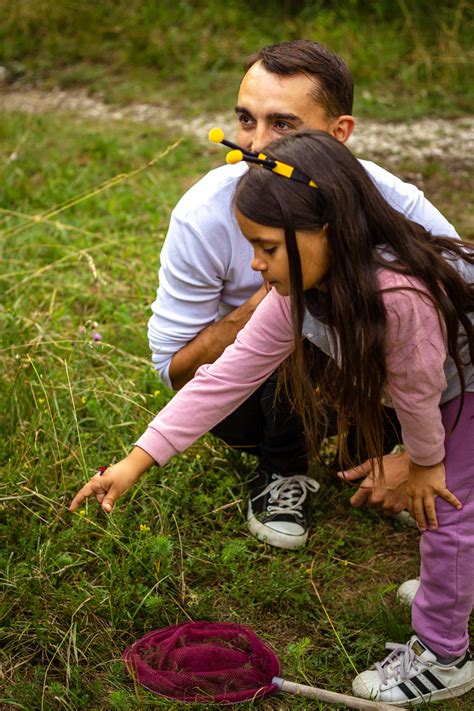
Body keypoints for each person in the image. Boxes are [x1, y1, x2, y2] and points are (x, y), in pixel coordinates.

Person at [71, 130, 473, 705]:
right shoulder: (297, 292)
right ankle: (451, 586)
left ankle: (444, 652)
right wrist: (136, 461)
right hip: (444, 388)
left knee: (445, 509)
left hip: (462, 386)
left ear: (326, 229)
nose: (256, 265)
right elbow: (226, 377)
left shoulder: (397, 296)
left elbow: (419, 394)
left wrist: (424, 463)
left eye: (267, 247)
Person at [147, 39, 459, 549]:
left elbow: (455, 339)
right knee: (297, 324)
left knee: (365, 319)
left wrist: (419, 457)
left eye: (284, 125)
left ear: (339, 135)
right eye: (246, 121)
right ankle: (280, 472)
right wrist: (259, 308)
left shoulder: (396, 205)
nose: (254, 146)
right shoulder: (202, 214)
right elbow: (175, 371)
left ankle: (385, 453)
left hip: (389, 377)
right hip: (257, 390)